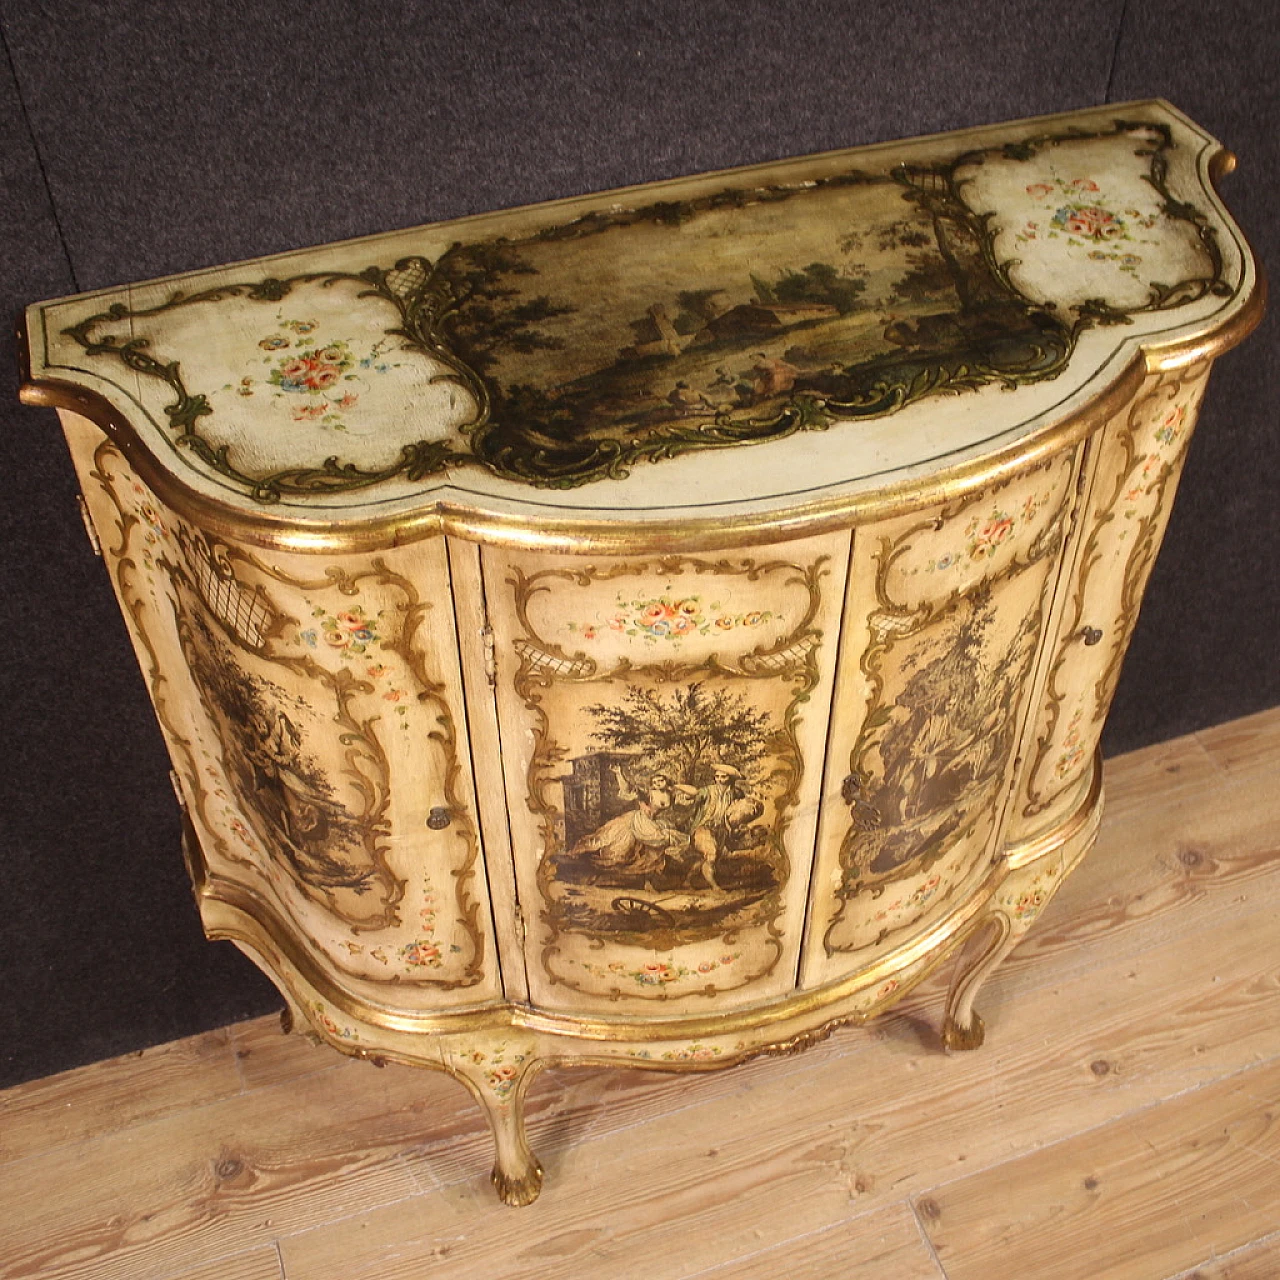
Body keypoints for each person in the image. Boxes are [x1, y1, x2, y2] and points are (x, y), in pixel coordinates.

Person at [571, 766, 687, 882]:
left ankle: (643, 876)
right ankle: (579, 851)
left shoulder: (671, 795)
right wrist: (619, 773)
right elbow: (627, 790)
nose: (657, 784)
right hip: (638, 819)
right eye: (655, 782)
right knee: (609, 835)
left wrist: (676, 786)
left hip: (651, 823)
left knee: (653, 844)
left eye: (661, 781)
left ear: (666, 781)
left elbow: (693, 792)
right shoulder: (649, 792)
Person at [673, 763, 744, 890]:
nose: (719, 780)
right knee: (711, 855)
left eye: (723, 777)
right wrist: (688, 796)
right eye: (717, 777)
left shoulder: (735, 794)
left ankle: (687, 880)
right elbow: (691, 799)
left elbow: (738, 812)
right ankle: (714, 887)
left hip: (721, 831)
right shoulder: (707, 791)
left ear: (730, 778)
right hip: (703, 829)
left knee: (706, 858)